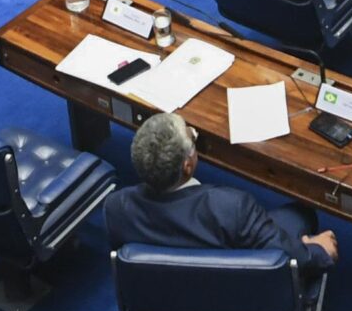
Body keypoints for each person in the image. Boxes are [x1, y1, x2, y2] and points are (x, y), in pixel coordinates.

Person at [104, 112, 337, 277]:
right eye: (193, 137)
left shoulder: (115, 207)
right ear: (188, 165)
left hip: (166, 301)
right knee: (300, 214)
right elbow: (291, 258)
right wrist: (316, 250)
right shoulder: (231, 207)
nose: (194, 136)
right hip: (232, 295)